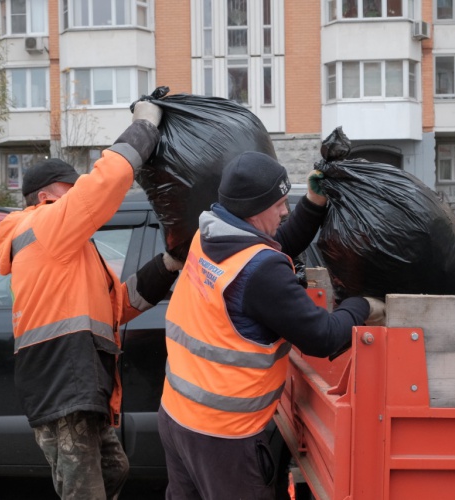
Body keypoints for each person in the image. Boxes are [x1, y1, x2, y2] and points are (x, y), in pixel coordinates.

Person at [157, 151, 385, 500]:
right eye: (279, 203)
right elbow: (322, 338)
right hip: (223, 437)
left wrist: (314, 202)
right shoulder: (259, 272)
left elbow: (274, 247)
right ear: (253, 209)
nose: (284, 211)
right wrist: (362, 305)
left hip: (177, 415)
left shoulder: (209, 237)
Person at [0, 101, 182, 500]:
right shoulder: (43, 224)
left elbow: (121, 302)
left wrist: (169, 263)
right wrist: (144, 127)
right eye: (70, 188)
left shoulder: (68, 249)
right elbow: (104, 183)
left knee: (113, 469)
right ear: (44, 196)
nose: (78, 193)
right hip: (63, 379)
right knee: (86, 491)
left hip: (76, 380)